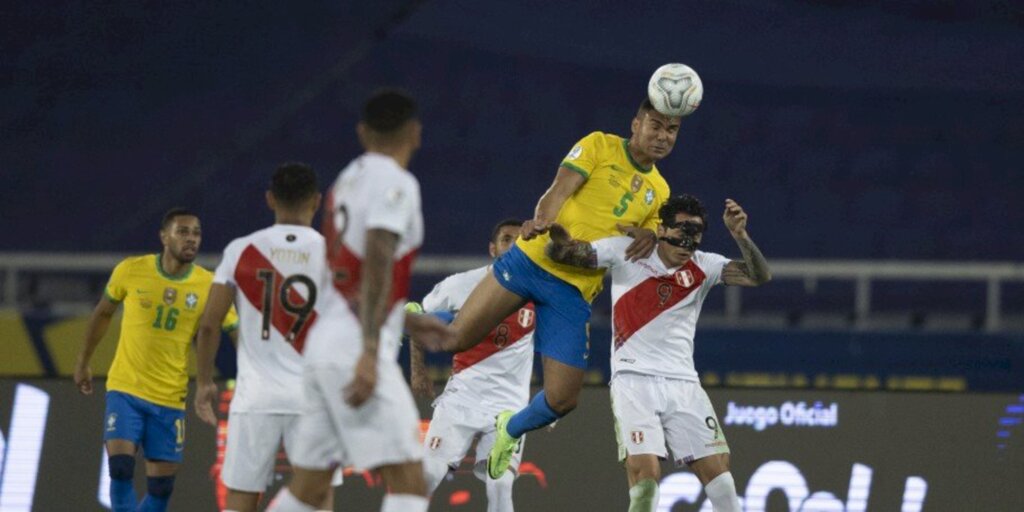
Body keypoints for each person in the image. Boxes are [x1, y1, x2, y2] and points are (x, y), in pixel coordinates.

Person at [432, 99, 683, 479]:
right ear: (636, 123)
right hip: (533, 260)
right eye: (656, 125)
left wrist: (651, 235)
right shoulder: (599, 144)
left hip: (573, 291)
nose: (662, 136)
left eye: (672, 130)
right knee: (453, 339)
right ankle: (401, 321)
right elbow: (559, 189)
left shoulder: (660, 192)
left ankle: (509, 429)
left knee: (562, 399)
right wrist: (542, 220)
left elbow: (644, 250)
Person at [269, 89, 452, 512]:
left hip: (324, 347)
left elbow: (349, 278)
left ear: (362, 132)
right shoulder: (397, 183)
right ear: (415, 132)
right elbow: (378, 258)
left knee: (309, 488)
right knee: (409, 477)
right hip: (354, 350)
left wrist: (404, 322)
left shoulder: (346, 181)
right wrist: (370, 351)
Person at [545, 195, 771, 512]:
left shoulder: (704, 265)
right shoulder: (629, 251)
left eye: (695, 235)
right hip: (633, 380)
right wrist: (556, 235)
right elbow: (565, 253)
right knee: (646, 479)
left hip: (683, 384)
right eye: (681, 232)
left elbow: (759, 276)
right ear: (662, 229)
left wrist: (740, 235)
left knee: (721, 481)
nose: (687, 242)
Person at [193, 163, 341, 512]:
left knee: (242, 497)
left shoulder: (241, 250)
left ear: (270, 199)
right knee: (317, 498)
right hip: (314, 400)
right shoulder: (334, 256)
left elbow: (209, 325)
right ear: (318, 202)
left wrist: (203, 383)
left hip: (255, 399)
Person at [73, 208, 239, 512]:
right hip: (126, 388)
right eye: (183, 232)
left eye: (196, 233)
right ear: (164, 237)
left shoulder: (208, 285)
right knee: (121, 468)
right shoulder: (131, 270)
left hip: (169, 398)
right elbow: (103, 313)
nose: (191, 239)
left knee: (161, 489)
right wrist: (83, 361)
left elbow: (233, 330)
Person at [408, 218, 535, 512]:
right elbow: (415, 319)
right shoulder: (461, 285)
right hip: (461, 399)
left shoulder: (539, 292)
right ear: (493, 249)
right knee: (426, 476)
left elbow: (561, 339)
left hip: (508, 407)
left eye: (521, 240)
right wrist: (418, 369)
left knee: (501, 486)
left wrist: (552, 403)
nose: (514, 245)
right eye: (506, 239)